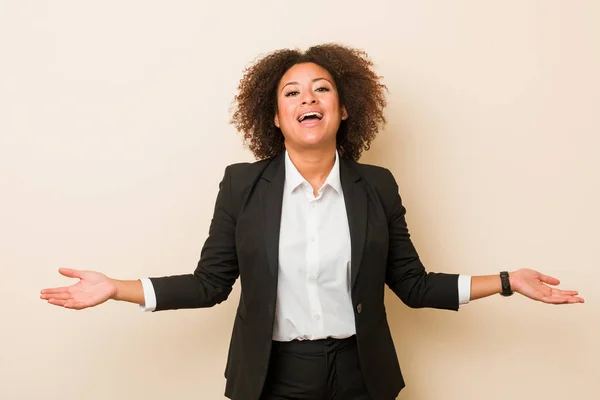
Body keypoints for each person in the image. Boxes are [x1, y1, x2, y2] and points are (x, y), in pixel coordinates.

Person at [40, 43, 584, 400]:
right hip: (273, 377)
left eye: (321, 88)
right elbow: (209, 285)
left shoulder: (378, 185)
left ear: (344, 108)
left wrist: (510, 281)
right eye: (292, 92)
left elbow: (415, 287)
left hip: (361, 374)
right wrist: (116, 289)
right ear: (275, 116)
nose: (308, 98)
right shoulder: (242, 185)